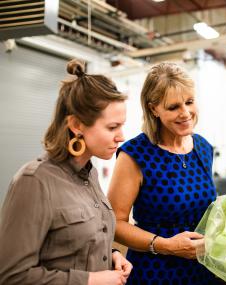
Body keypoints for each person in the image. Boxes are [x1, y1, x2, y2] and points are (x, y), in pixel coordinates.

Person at [107, 62, 226, 284]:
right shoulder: (135, 154)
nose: (185, 113)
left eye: (189, 102)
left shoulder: (203, 147)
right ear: (153, 109)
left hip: (203, 268)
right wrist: (165, 245)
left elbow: (199, 207)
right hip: (158, 272)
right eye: (173, 107)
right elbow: (115, 224)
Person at [0, 59, 132, 285]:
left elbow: (73, 245)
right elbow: (12, 276)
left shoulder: (90, 174)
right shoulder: (34, 181)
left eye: (122, 125)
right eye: (112, 127)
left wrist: (111, 255)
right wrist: (90, 280)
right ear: (77, 125)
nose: (121, 137)